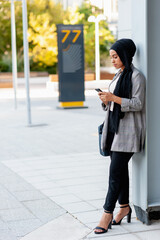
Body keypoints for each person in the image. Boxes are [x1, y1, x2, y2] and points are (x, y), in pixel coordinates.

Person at [94, 38, 146, 234]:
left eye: (115, 56)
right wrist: (105, 100)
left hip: (130, 132)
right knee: (120, 170)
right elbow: (113, 101)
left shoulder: (137, 77)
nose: (113, 60)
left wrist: (113, 98)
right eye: (111, 57)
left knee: (115, 173)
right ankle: (124, 207)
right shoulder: (118, 75)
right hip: (115, 130)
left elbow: (138, 104)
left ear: (125, 55)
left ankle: (107, 213)